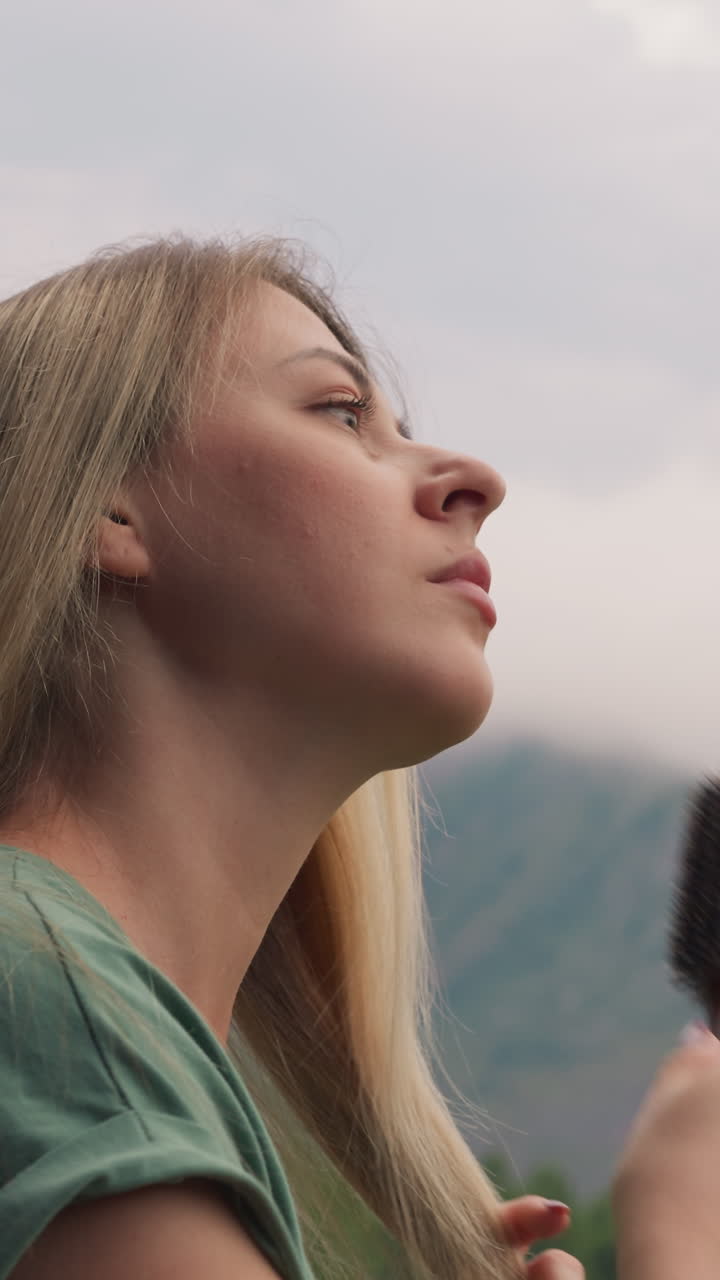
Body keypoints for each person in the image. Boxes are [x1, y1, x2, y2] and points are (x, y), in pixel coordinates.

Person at [0, 234, 712, 1280]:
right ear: (108, 507)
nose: (478, 478)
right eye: (341, 414)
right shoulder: (49, 1004)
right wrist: (683, 1244)